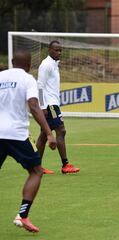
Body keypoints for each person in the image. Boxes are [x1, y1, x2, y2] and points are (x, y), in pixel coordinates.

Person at [0, 50, 57, 232]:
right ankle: (23, 215)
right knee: (36, 171)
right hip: (17, 135)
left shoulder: (1, 77)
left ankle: (22, 216)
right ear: (29, 65)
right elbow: (34, 105)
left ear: (11, 61)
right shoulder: (27, 79)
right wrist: (48, 133)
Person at [36, 40, 80, 174]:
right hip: (50, 106)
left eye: (60, 50)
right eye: (56, 50)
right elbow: (40, 86)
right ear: (49, 50)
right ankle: (65, 165)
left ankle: (36, 166)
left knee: (44, 135)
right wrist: (43, 106)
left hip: (52, 104)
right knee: (61, 130)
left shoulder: (54, 64)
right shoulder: (46, 65)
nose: (59, 52)